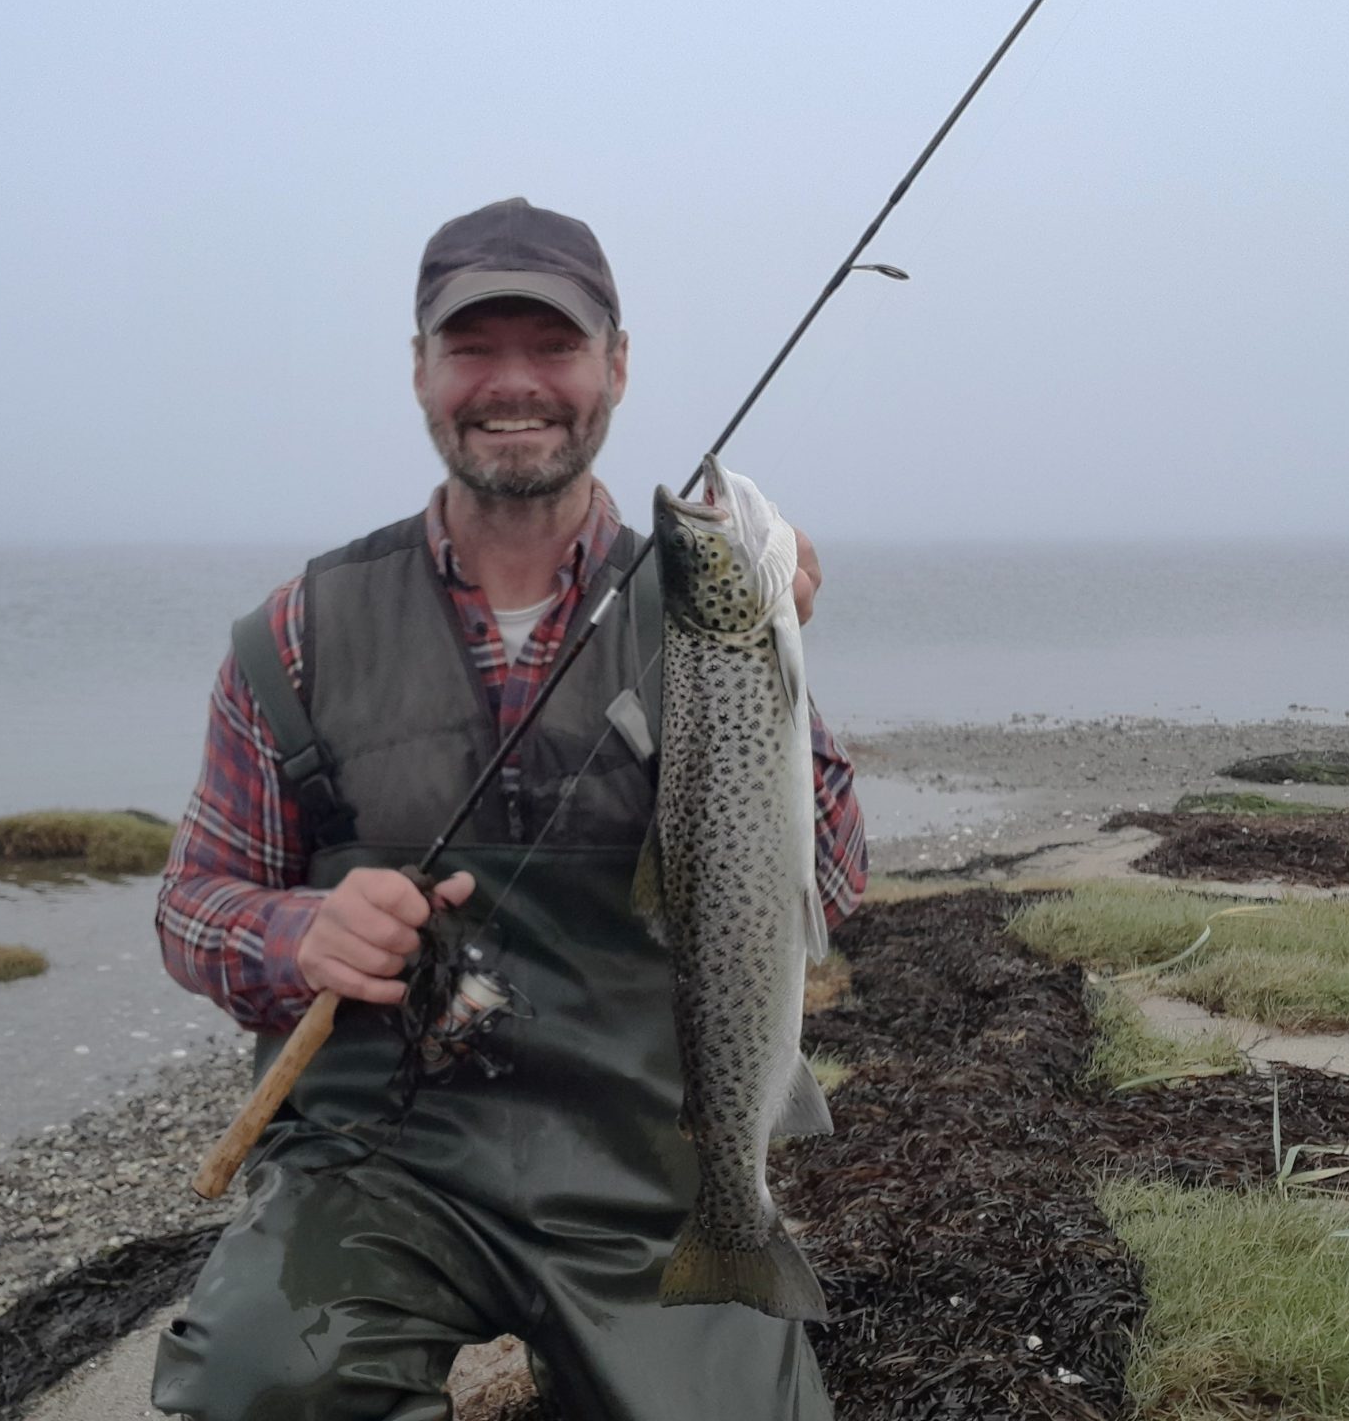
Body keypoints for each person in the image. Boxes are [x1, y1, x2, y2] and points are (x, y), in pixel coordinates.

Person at [151, 197, 868, 1421]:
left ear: (617, 366)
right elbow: (192, 905)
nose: (515, 384)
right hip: (377, 1169)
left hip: (651, 1164)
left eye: (556, 346)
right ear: (422, 372)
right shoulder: (296, 635)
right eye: (475, 347)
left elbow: (834, 889)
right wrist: (295, 936)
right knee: (256, 1383)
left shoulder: (704, 611)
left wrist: (774, 669)